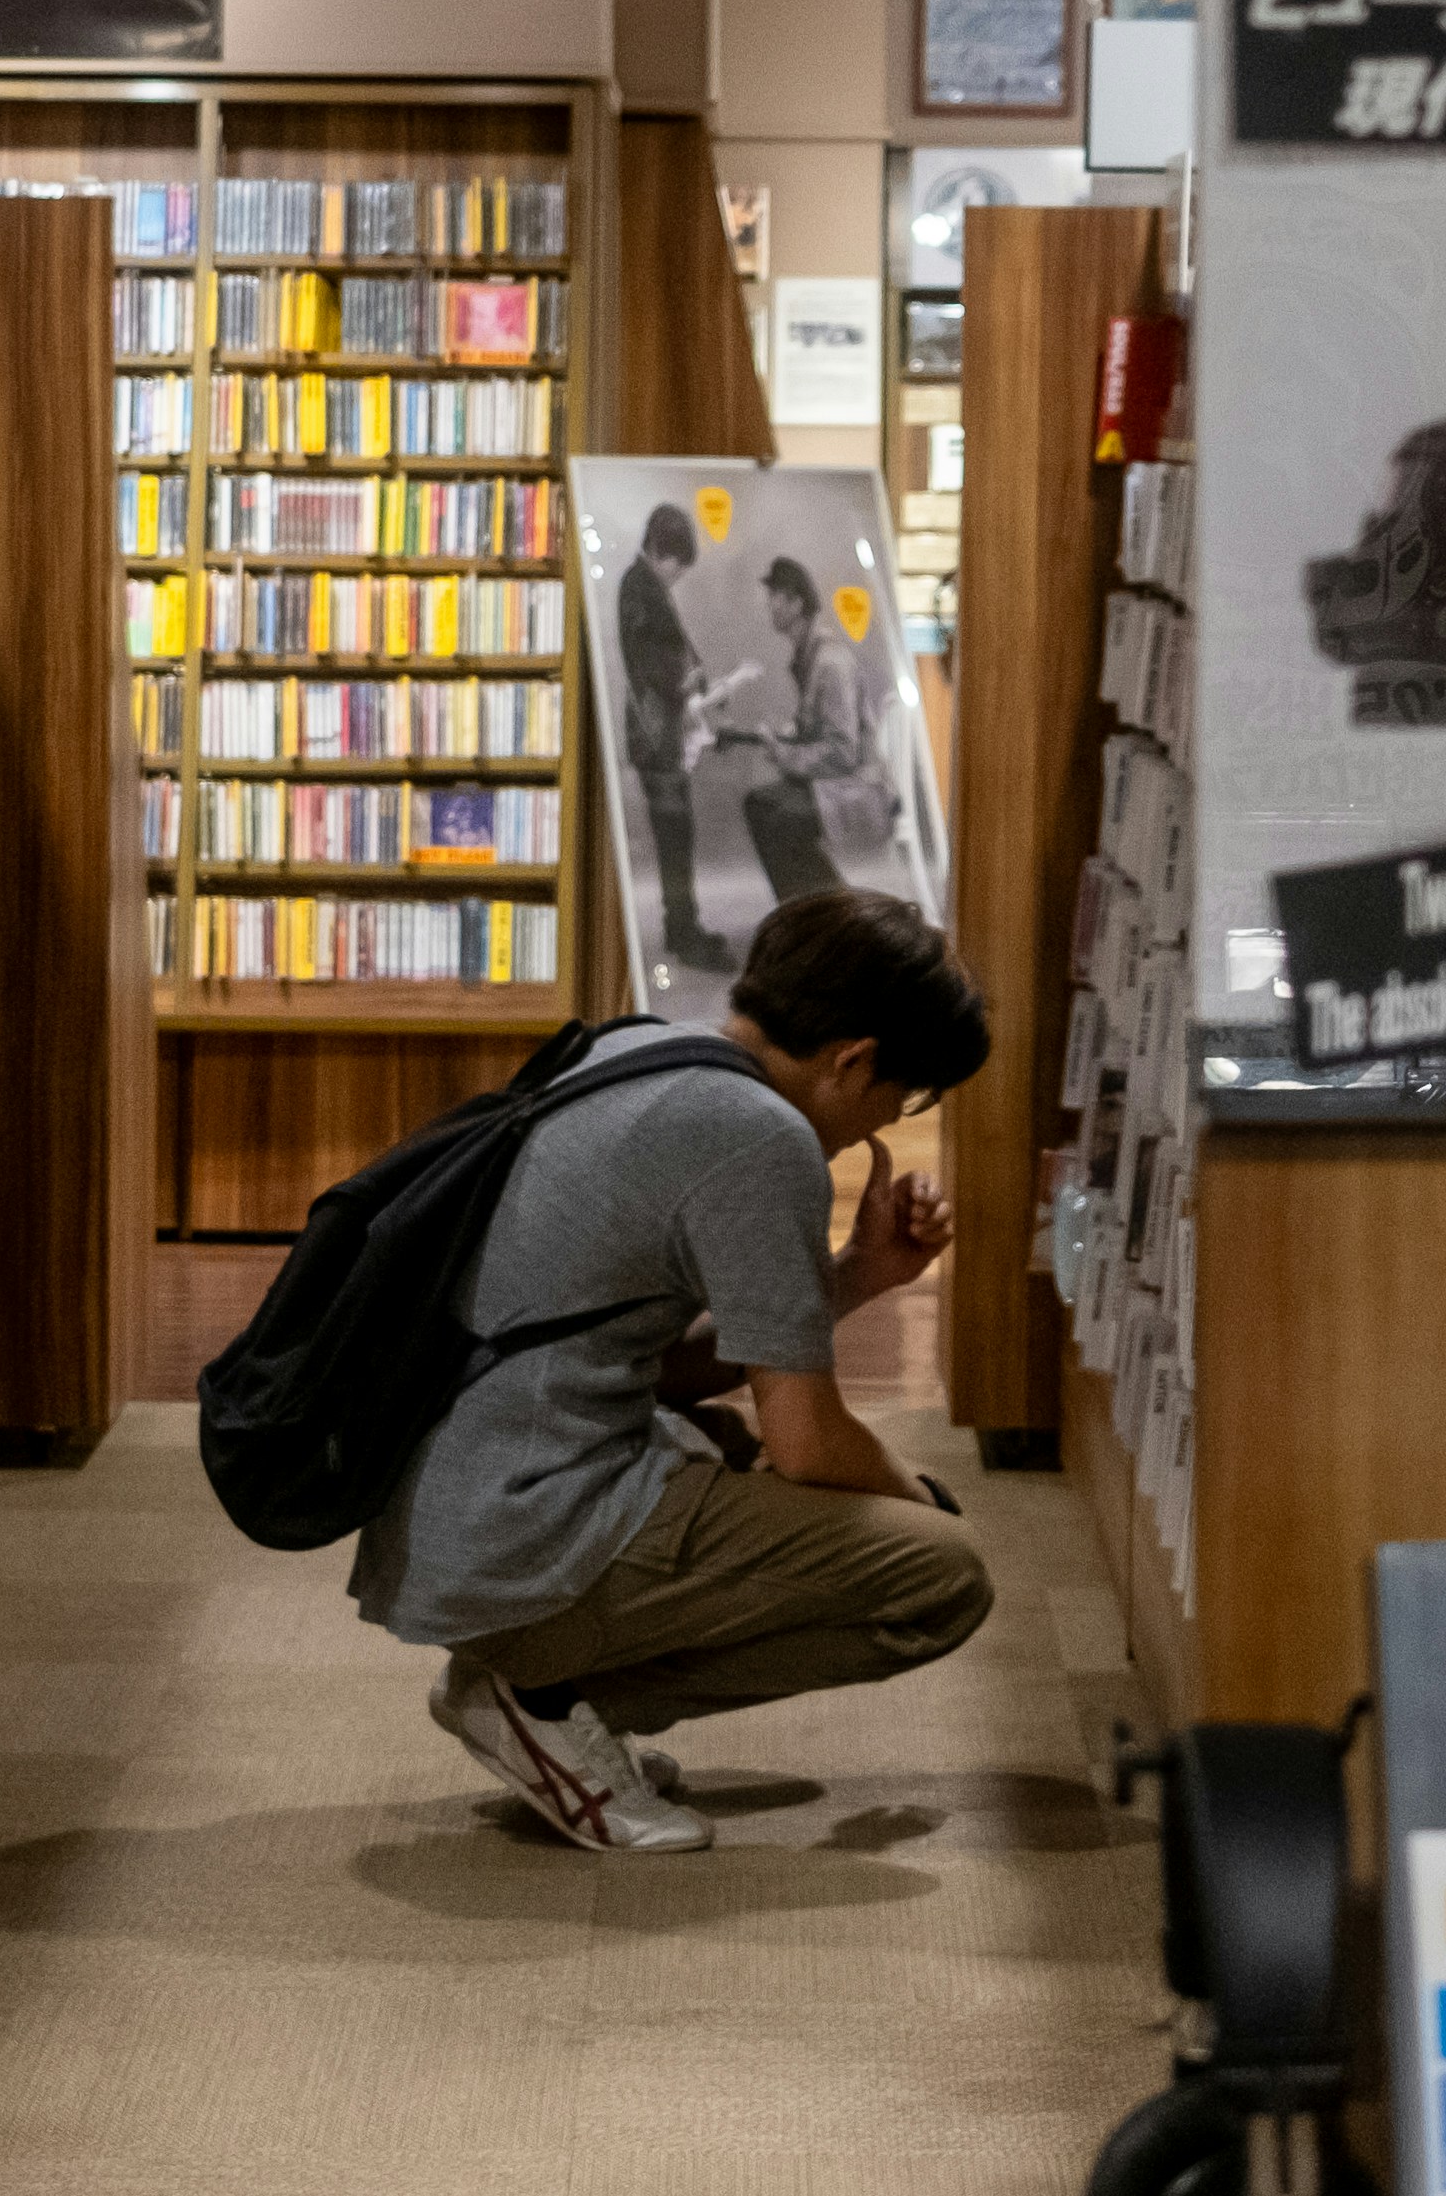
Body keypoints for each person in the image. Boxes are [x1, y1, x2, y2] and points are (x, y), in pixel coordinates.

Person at [355, 889, 997, 1852]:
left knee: (734, 1449)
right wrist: (925, 1499)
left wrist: (860, 1276)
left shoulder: (640, 1047)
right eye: (901, 1098)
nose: (889, 1120)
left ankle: (538, 1691)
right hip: (512, 1532)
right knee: (938, 1573)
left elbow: (653, 1366)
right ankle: (543, 1697)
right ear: (851, 1058)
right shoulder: (760, 1137)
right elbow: (810, 1439)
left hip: (451, 1509)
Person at [720, 556, 891, 907]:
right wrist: (771, 737)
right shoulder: (809, 656)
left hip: (854, 789)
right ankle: (815, 908)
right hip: (831, 784)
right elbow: (817, 732)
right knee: (762, 805)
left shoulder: (829, 663)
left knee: (775, 815)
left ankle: (824, 910)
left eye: (776, 598)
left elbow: (843, 754)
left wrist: (783, 752)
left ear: (797, 603)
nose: (769, 606)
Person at [617, 505, 734, 974]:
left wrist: (697, 677)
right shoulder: (640, 587)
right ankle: (684, 933)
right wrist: (689, 683)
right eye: (678, 564)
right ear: (661, 551)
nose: (679, 575)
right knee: (674, 834)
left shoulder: (642, 586)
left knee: (677, 833)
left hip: (661, 733)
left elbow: (665, 651)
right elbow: (646, 661)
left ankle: (680, 925)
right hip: (656, 734)